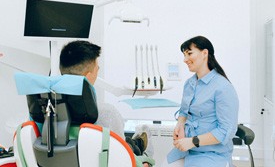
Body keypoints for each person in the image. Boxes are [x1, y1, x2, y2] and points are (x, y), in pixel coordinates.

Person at [59, 40, 154, 167]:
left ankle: (136, 143)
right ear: (87, 77)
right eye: (97, 68)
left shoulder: (45, 111)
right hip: (113, 158)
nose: (98, 70)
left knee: (129, 142)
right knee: (140, 141)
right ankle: (139, 145)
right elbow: (123, 158)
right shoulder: (106, 112)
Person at [161, 36, 239, 167]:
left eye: (189, 53)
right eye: (184, 55)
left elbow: (226, 130)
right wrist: (179, 125)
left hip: (212, 153)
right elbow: (184, 111)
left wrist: (193, 141)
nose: (185, 60)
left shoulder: (223, 88)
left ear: (204, 53)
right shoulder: (190, 84)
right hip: (188, 150)